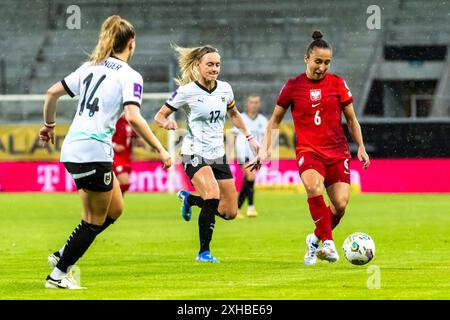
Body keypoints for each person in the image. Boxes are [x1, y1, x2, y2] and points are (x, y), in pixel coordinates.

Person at [39, 15, 172, 289]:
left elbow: (51, 93)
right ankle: (58, 276)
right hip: (93, 152)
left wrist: (49, 125)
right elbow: (133, 117)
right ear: (131, 44)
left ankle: (64, 253)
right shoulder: (130, 75)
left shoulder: (90, 66)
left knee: (116, 209)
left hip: (75, 148)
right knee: (92, 221)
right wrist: (160, 149)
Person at [251, 30, 370, 266]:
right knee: (314, 186)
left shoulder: (337, 84)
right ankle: (328, 243)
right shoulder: (293, 86)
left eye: (327, 62)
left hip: (337, 152)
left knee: (340, 205)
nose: (322, 67)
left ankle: (315, 240)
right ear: (306, 58)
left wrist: (361, 147)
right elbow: (274, 120)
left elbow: (352, 119)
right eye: (318, 61)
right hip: (309, 150)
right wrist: (265, 150)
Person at [154, 45, 259, 263]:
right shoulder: (186, 91)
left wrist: (250, 137)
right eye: (209, 64)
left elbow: (233, 113)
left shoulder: (225, 89)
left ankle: (190, 199)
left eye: (217, 65)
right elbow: (160, 116)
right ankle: (203, 252)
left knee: (229, 212)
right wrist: (167, 123)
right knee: (212, 195)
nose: (214, 69)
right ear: (198, 66)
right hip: (194, 153)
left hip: (217, 155)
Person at [229, 95, 267, 218]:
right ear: (247, 104)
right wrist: (230, 152)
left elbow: (267, 137)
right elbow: (232, 135)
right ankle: (250, 207)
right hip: (242, 153)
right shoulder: (241, 118)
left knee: (248, 180)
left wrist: (266, 149)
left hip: (255, 156)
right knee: (251, 176)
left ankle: (237, 208)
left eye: (256, 102)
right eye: (252, 102)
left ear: (259, 104)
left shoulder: (262, 120)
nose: (254, 105)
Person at [112, 114, 144, 196]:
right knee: (125, 182)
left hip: (126, 157)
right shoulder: (114, 120)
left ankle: (115, 206)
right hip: (115, 157)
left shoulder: (130, 121)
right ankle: (111, 202)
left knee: (122, 185)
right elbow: (103, 136)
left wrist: (139, 141)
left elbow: (132, 137)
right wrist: (114, 145)